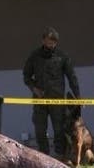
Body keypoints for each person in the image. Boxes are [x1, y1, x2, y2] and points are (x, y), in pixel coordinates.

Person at [23, 26, 79, 158]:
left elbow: (72, 76)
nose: (51, 44)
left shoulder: (62, 56)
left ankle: (60, 156)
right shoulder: (34, 56)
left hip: (57, 99)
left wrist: (78, 95)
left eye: (54, 42)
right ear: (43, 41)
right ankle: (44, 155)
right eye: (49, 41)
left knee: (59, 130)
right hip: (40, 99)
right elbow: (26, 75)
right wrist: (34, 88)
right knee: (40, 130)